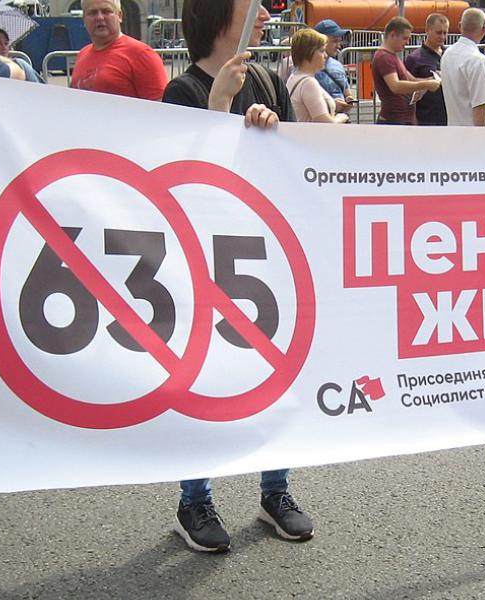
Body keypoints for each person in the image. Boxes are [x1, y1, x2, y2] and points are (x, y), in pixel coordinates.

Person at [162, 0, 314, 553]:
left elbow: (295, 160)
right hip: (203, 258)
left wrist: (273, 131)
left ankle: (276, 489)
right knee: (200, 378)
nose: (264, 18)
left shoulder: (271, 82)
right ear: (219, 20)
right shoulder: (182, 91)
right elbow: (184, 173)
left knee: (275, 375)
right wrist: (220, 105)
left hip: (265, 255)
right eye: (248, 11)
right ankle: (193, 497)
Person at [71, 0, 168, 101]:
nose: (99, 17)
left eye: (106, 11)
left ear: (120, 16)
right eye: (93, 13)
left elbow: (160, 109)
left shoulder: (142, 54)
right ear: (84, 19)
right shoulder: (82, 54)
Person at [372, 17, 440, 125]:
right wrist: (427, 84)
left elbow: (411, 79)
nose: (407, 42)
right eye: (404, 38)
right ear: (392, 35)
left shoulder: (392, 56)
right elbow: (396, 86)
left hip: (403, 120)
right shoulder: (384, 57)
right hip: (394, 120)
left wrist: (433, 79)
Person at [441, 8, 485, 126]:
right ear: (484, 30)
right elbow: (480, 105)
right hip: (473, 135)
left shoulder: (447, 55)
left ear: (460, 26)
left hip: (454, 130)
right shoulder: (478, 61)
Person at [287, 28, 347, 123]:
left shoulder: (295, 76)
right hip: (312, 136)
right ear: (309, 53)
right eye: (322, 51)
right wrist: (342, 117)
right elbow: (326, 123)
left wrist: (331, 103)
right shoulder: (308, 83)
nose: (325, 56)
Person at [405, 13, 448, 125]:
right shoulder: (414, 59)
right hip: (425, 119)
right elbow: (405, 91)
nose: (442, 37)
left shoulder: (449, 55)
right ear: (427, 30)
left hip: (449, 118)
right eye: (438, 32)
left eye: (445, 33)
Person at [312, 19, 354, 115]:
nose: (338, 46)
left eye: (339, 41)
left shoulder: (338, 65)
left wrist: (349, 101)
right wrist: (333, 104)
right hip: (321, 122)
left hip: (341, 120)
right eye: (334, 41)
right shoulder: (308, 68)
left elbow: (347, 92)